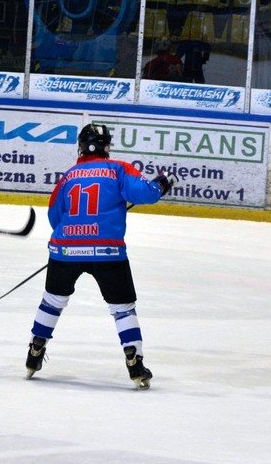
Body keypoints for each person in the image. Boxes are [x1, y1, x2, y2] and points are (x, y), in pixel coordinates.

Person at [25, 123, 178, 389]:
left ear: (81, 146)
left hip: (65, 250)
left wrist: (73, 236)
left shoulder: (69, 176)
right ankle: (134, 361)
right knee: (122, 308)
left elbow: (54, 217)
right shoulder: (117, 169)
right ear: (106, 146)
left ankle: (35, 351)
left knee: (52, 302)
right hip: (107, 252)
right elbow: (146, 194)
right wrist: (161, 184)